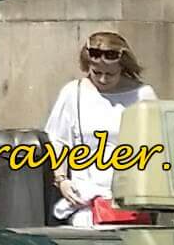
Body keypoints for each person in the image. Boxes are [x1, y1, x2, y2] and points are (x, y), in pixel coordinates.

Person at [45, 31, 155, 228]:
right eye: (96, 73)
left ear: (123, 67)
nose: (103, 80)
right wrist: (62, 180)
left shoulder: (143, 95)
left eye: (110, 74)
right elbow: (58, 141)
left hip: (128, 202)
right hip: (85, 202)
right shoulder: (73, 93)